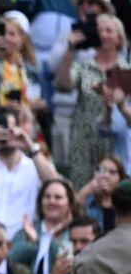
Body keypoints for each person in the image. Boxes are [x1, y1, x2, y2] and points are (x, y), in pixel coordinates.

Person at [55, 13, 130, 188]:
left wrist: (117, 101)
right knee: (82, 188)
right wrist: (70, 50)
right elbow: (62, 85)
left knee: (114, 193)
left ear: (119, 38)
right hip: (84, 142)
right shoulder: (83, 66)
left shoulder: (127, 70)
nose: (103, 35)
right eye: (100, 31)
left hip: (115, 145)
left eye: (109, 31)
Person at [0, 109, 59, 239]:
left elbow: (56, 185)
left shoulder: (35, 165)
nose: (5, 133)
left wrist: (30, 146)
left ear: (19, 129)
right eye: (0, 128)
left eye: (10, 128)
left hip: (23, 240)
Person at [0, 11, 47, 137]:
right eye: (3, 33)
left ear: (22, 39)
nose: (6, 38)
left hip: (26, 130)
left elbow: (43, 104)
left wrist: (39, 106)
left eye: (12, 34)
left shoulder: (32, 70)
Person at [9, 179, 77, 274]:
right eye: (47, 197)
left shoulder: (76, 232)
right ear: (40, 202)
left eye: (58, 197)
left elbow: (69, 264)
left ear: (69, 203)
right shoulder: (26, 230)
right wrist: (37, 242)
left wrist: (39, 240)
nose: (52, 201)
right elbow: (10, 258)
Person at [76, 155, 126, 235]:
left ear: (121, 178)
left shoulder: (126, 203)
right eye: (101, 170)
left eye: (112, 172)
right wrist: (84, 191)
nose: (105, 176)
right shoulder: (87, 200)